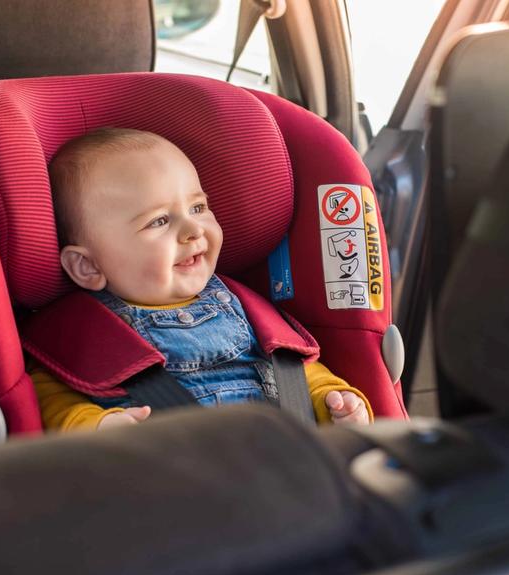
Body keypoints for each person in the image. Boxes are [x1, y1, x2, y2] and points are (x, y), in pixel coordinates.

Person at [31, 128, 372, 431]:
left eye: (198, 208)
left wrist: (333, 400)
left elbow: (295, 371)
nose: (193, 230)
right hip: (176, 483)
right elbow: (51, 397)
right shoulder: (82, 333)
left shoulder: (245, 306)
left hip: (281, 469)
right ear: (88, 266)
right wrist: (97, 425)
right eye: (159, 221)